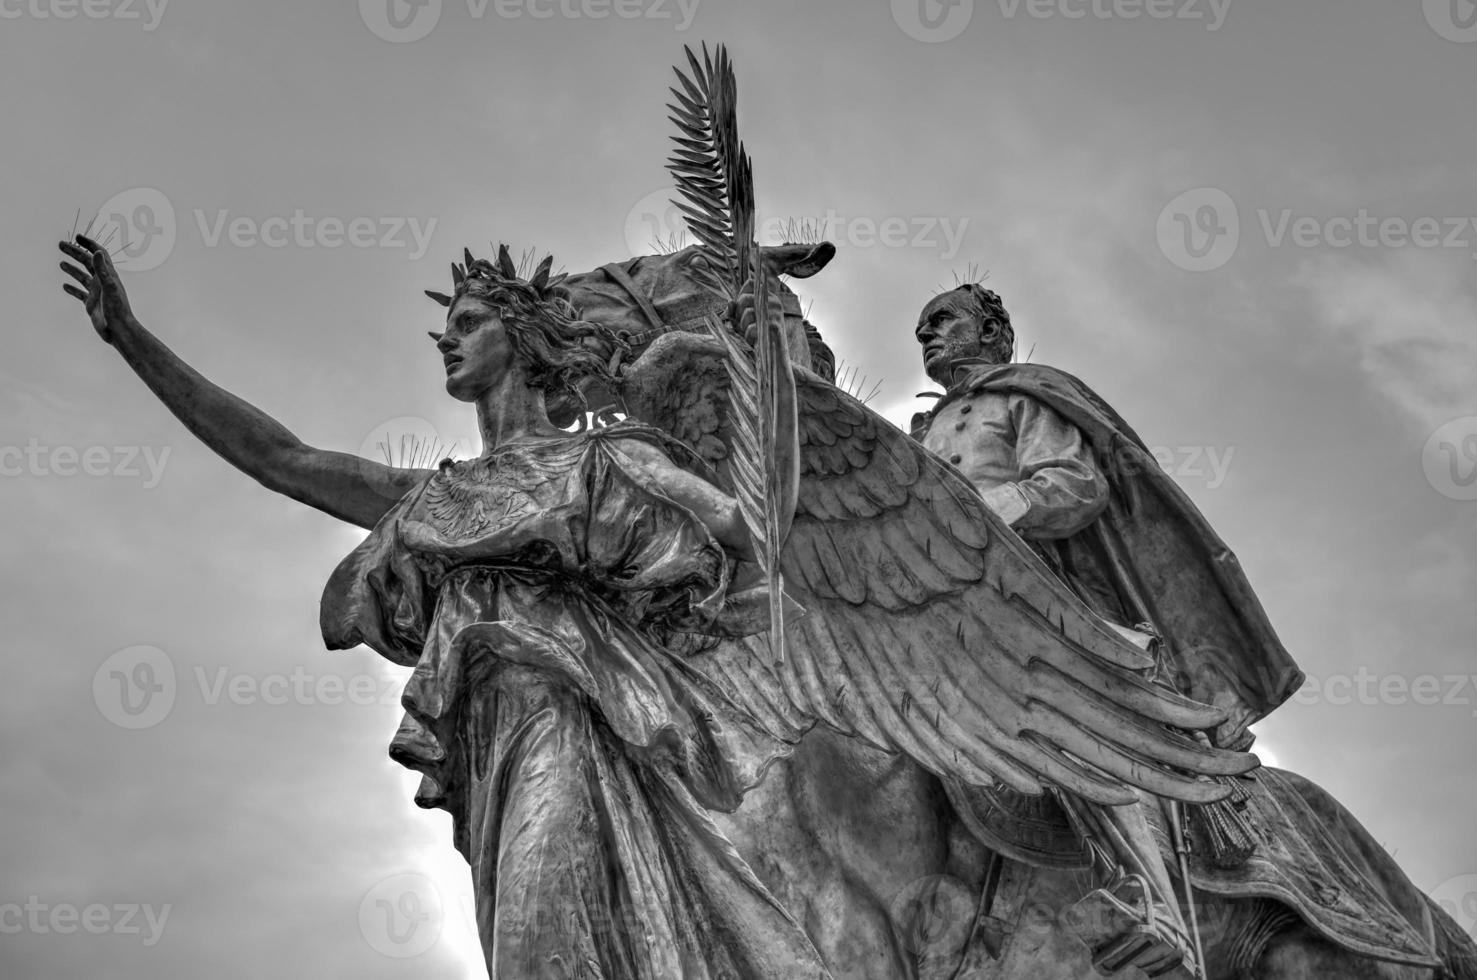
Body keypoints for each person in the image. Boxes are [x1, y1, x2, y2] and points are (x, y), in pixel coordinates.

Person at [58, 236, 832, 979]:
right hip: (486, 746)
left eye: (469, 323)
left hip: (580, 718)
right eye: (446, 327)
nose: (447, 340)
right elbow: (282, 461)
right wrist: (132, 340)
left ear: (522, 334)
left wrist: (775, 375)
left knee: (541, 944)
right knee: (533, 945)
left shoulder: (608, 459)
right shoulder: (439, 496)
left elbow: (748, 526)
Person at [910, 283, 1304, 976]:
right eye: (921, 328)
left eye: (942, 321)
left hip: (1039, 601)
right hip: (944, 609)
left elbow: (1072, 484)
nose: (926, 335)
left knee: (1077, 721)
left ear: (993, 332)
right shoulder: (919, 430)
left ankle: (1151, 900)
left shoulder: (1023, 399)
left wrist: (992, 511)